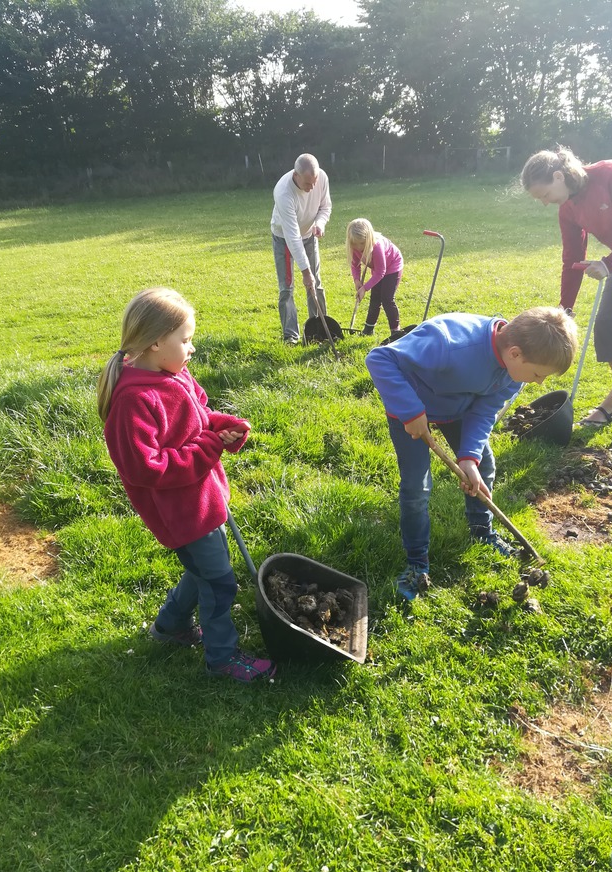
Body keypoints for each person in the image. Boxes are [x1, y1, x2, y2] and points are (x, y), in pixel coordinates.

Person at [97, 287, 276, 682]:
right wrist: (209, 446)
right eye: (186, 339)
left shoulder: (172, 373)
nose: (192, 348)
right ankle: (223, 659)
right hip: (181, 513)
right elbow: (150, 468)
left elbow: (198, 415)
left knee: (202, 571)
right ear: (156, 342)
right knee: (219, 582)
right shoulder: (134, 401)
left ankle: (169, 627)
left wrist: (220, 426)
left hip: (203, 499)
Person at [365, 308, 578, 601]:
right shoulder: (450, 341)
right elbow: (380, 359)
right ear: (515, 353)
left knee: (484, 463)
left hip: (458, 411)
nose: (539, 382)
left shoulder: (514, 373)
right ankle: (417, 564)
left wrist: (469, 457)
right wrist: (411, 411)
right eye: (538, 374)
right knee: (417, 485)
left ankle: (482, 531)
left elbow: (485, 411)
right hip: (410, 411)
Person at [521, 147, 612, 427]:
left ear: (559, 176)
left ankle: (610, 405)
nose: (545, 203)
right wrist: (565, 309)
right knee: (606, 323)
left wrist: (610, 263)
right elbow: (572, 259)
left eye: (544, 195)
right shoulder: (568, 209)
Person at [271, 153, 332, 344]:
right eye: (307, 183)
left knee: (316, 284)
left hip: (309, 235)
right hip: (285, 239)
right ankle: (291, 336)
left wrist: (320, 224)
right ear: (296, 176)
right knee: (287, 289)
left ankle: (318, 329)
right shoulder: (283, 192)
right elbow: (292, 237)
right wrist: (305, 272)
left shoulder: (320, 177)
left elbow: (325, 207)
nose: (312, 187)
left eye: (314, 182)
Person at [346, 217, 403, 337]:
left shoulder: (377, 246)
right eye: (355, 244)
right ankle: (368, 329)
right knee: (375, 298)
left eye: (362, 243)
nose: (359, 247)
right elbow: (355, 265)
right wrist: (356, 280)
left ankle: (395, 331)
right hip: (377, 268)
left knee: (387, 299)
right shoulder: (354, 247)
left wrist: (364, 288)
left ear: (368, 239)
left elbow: (381, 272)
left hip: (392, 266)